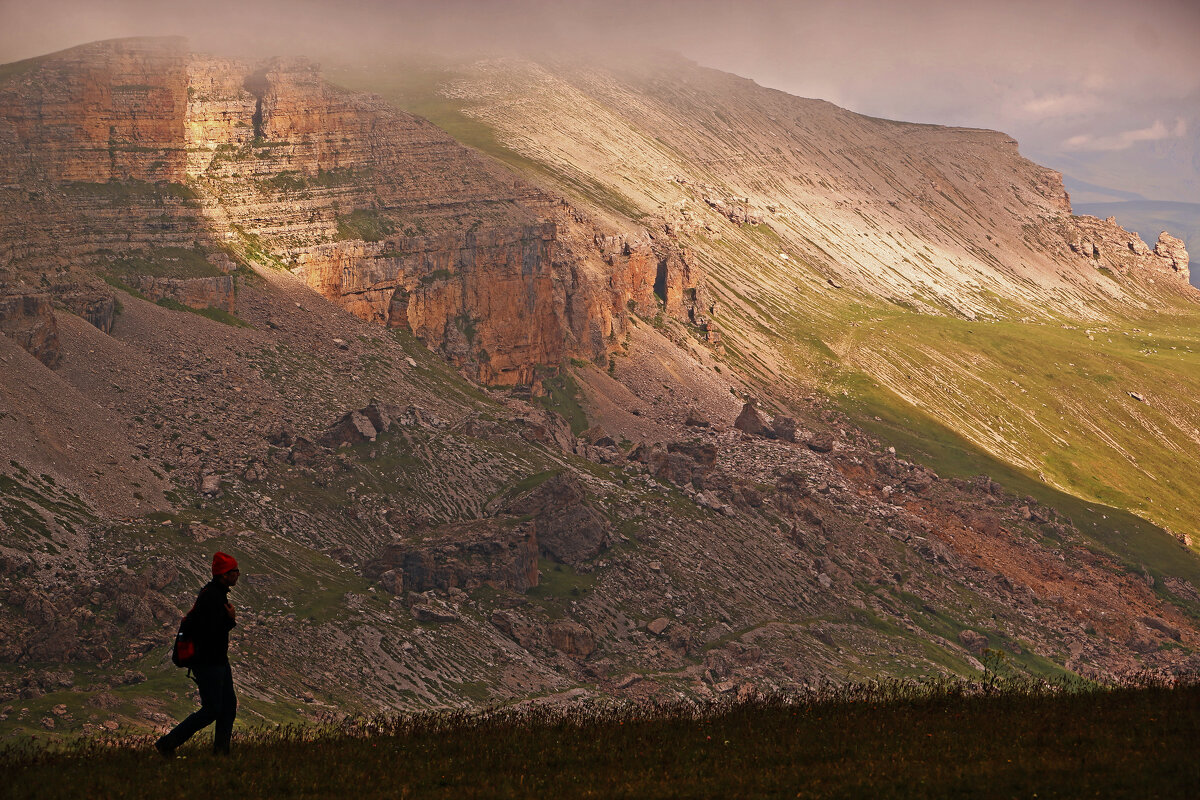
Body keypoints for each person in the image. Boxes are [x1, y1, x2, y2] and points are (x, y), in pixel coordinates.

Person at [156, 551, 240, 757]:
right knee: (212, 709)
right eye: (235, 571)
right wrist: (230, 619)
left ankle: (221, 753)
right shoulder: (212, 597)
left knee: (227, 707)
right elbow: (212, 631)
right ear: (224, 574)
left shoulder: (214, 593)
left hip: (217, 660)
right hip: (209, 662)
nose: (238, 574)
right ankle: (167, 744)